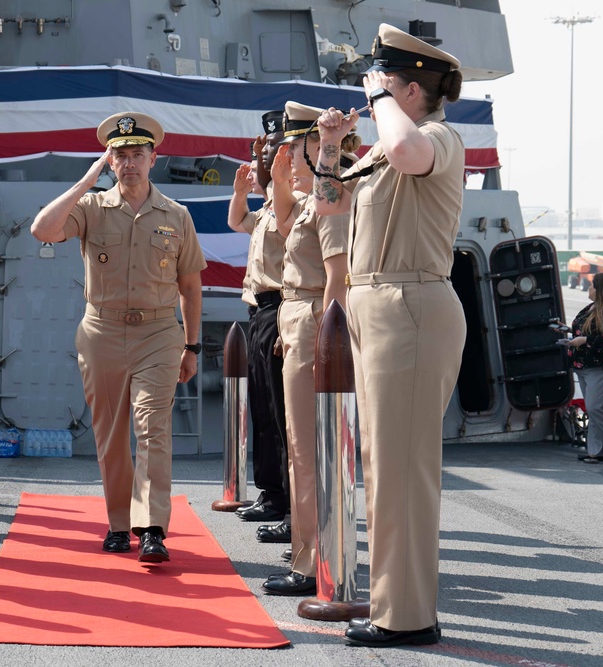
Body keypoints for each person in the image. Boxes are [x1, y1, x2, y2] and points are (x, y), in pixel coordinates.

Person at [313, 23, 467, 646]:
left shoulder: (437, 137)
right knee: (380, 466)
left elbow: (404, 152)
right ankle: (391, 598)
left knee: (403, 469)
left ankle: (408, 617)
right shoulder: (384, 146)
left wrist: (378, 101)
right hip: (375, 306)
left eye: (381, 81)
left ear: (408, 90)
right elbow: (328, 203)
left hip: (411, 303)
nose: (370, 92)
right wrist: (328, 146)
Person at [31, 112, 206, 562]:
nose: (129, 163)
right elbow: (43, 230)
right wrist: (86, 179)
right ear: (111, 162)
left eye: (137, 155)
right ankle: (118, 523)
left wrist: (192, 346)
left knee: (153, 429)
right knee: (110, 434)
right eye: (120, 156)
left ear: (153, 158)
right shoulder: (90, 208)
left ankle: (152, 528)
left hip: (158, 333)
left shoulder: (177, 216)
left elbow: (189, 286)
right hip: (102, 331)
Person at [260, 102, 350, 596]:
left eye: (295, 147)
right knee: (300, 447)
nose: (287, 156)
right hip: (297, 315)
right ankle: (309, 554)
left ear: (317, 149)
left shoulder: (330, 197)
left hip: (316, 318)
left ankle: (313, 564)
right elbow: (281, 226)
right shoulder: (311, 200)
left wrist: (324, 338)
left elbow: (336, 275)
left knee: (308, 452)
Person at [227, 116, 291, 530]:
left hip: (281, 309)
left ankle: (289, 504)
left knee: (284, 416)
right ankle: (272, 494)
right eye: (262, 149)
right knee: (265, 412)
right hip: (260, 313)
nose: (262, 155)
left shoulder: (294, 203)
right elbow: (237, 221)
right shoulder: (268, 208)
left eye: (272, 149)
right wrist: (240, 191)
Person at [567, 272, 603, 463]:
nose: (589, 288)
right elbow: (582, 330)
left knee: (595, 407)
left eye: (592, 286)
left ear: (600, 289)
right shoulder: (589, 309)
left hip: (600, 367)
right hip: (583, 366)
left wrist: (584, 340)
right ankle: (597, 451)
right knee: (596, 409)